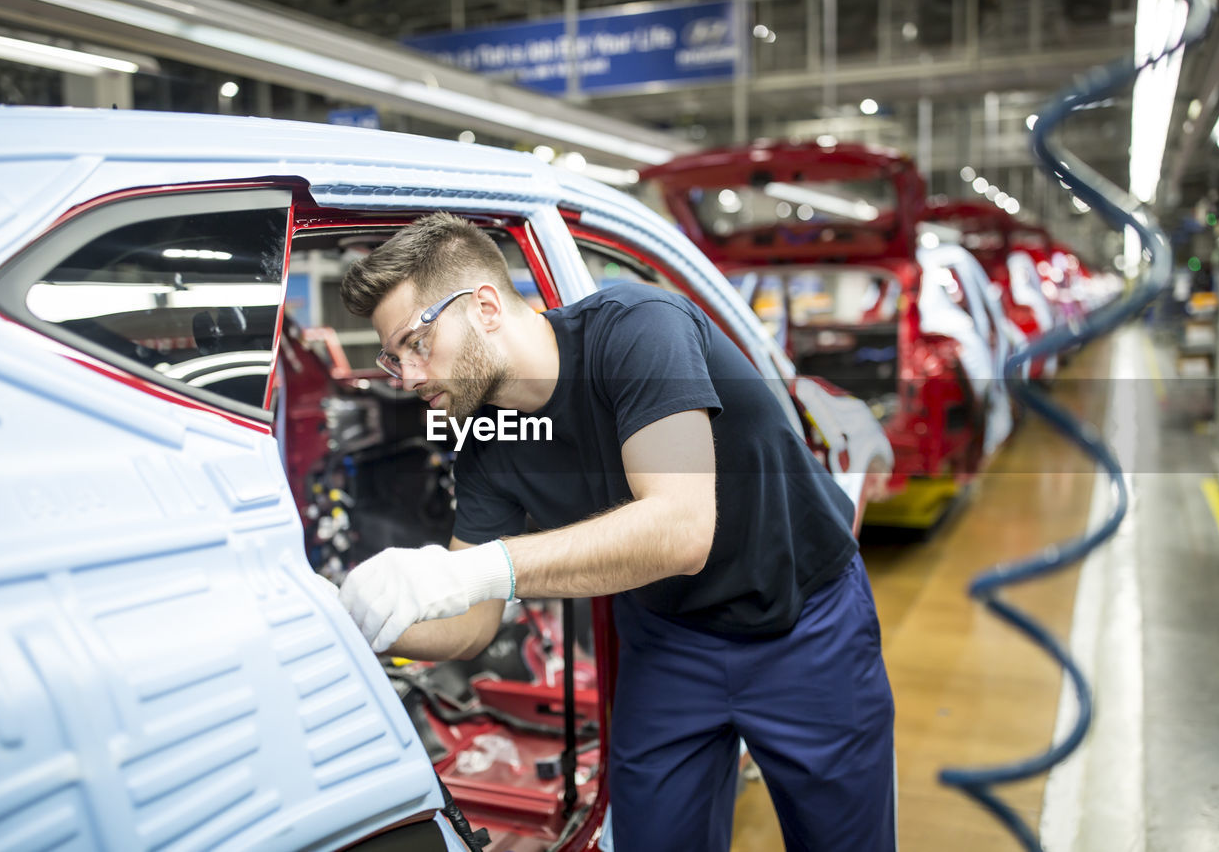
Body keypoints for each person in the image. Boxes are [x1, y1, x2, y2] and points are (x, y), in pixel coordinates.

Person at [336, 212, 896, 851]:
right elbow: (472, 623)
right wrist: (352, 619)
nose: (406, 376)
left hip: (804, 626)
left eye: (415, 342)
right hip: (670, 643)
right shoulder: (485, 435)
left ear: (485, 307)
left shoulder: (637, 329)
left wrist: (471, 569)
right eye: (392, 357)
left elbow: (681, 528)